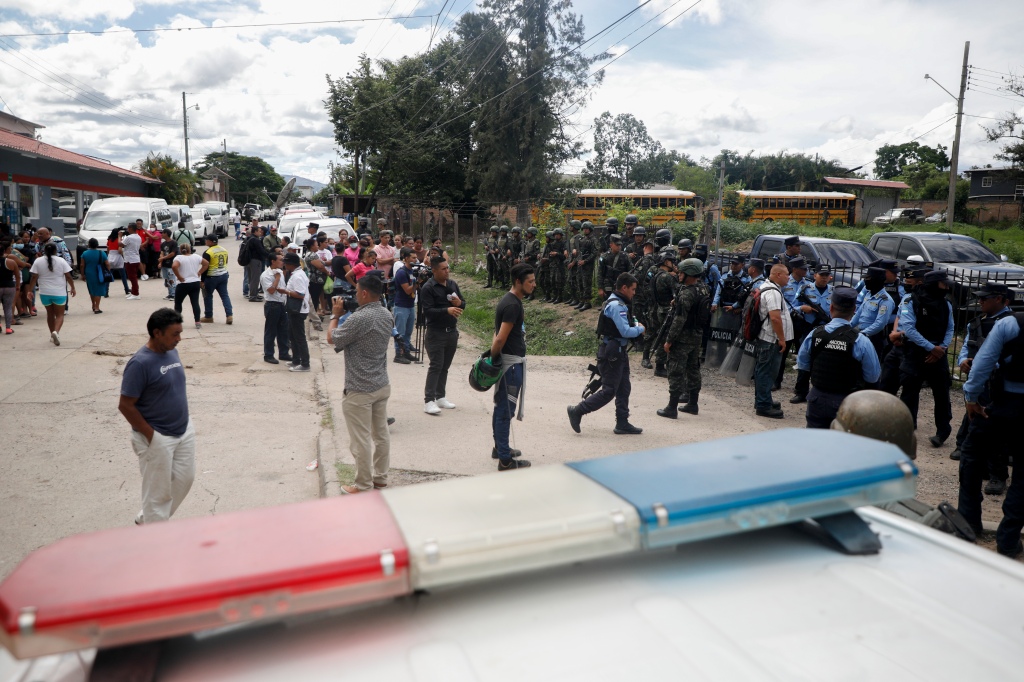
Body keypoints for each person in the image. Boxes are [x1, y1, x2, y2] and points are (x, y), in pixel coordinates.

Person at [957, 310, 1024, 557]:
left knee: (972, 457)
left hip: (1001, 407)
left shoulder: (1010, 324)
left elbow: (983, 362)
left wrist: (971, 398)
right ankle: (1007, 540)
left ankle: (968, 523)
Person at [119, 308, 194, 525]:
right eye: (174, 334)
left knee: (184, 480)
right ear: (157, 333)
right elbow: (125, 405)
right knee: (157, 494)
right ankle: (155, 541)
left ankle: (150, 518)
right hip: (158, 437)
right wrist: (152, 436)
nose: (179, 339)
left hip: (183, 430)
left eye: (180, 333)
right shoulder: (140, 363)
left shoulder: (172, 351)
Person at [328, 272, 395, 493]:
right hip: (381, 384)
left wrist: (335, 315)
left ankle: (363, 485)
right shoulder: (387, 314)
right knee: (381, 435)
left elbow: (332, 338)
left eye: (356, 291)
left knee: (361, 440)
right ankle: (380, 479)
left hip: (359, 388)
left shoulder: (359, 318)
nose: (355, 295)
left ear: (365, 293)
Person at [950, 283, 1013, 492]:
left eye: (985, 298)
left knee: (998, 432)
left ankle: (997, 475)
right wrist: (964, 361)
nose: (980, 301)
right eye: (980, 298)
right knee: (976, 425)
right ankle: (983, 469)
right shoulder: (977, 322)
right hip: (980, 382)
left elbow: (1008, 358)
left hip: (999, 384)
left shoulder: (1010, 324)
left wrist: (981, 366)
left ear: (1000, 299)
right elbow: (967, 345)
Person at [567, 272, 645, 435]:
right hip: (612, 353)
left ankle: (622, 422)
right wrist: (640, 329)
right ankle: (577, 410)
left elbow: (628, 322)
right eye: (633, 289)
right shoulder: (616, 306)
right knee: (609, 390)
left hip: (618, 351)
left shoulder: (619, 303)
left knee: (624, 387)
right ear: (624, 288)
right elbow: (625, 331)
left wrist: (636, 324)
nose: (634, 293)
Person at [794, 287, 881, 428]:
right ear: (854, 310)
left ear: (831, 307)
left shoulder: (814, 334)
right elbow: (872, 377)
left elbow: (803, 364)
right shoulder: (861, 341)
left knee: (814, 444)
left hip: (817, 398)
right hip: (848, 401)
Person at [898, 270, 954, 448]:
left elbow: (950, 328)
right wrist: (931, 348)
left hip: (938, 354)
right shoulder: (910, 300)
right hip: (916, 353)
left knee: (942, 394)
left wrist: (941, 349)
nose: (946, 287)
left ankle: (943, 431)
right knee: (909, 392)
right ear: (933, 284)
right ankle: (905, 429)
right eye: (943, 284)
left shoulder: (946, 304)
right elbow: (909, 328)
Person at [489, 263, 536, 471]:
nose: (534, 285)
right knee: (504, 411)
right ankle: (505, 460)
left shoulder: (511, 300)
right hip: (510, 366)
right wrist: (493, 361)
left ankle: (500, 448)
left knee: (501, 407)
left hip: (511, 363)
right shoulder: (512, 306)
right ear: (519, 282)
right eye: (530, 282)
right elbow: (499, 339)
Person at [658, 258, 709, 418]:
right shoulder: (703, 289)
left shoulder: (687, 293)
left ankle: (671, 408)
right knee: (693, 369)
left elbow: (679, 319)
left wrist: (669, 340)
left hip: (683, 338)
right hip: (697, 336)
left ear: (690, 274)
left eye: (682, 272)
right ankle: (693, 404)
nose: (678, 274)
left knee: (675, 370)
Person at [420, 256, 465, 415]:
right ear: (434, 270)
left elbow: (463, 304)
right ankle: (429, 400)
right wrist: (447, 310)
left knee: (445, 366)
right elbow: (428, 312)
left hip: (451, 332)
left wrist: (459, 304)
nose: (447, 271)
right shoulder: (428, 288)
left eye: (448, 268)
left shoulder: (452, 284)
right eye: (443, 269)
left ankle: (440, 396)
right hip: (436, 333)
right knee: (436, 365)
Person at [753, 264, 794, 419]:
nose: (788, 277)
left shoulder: (768, 287)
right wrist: (782, 339)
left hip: (768, 338)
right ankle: (763, 405)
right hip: (770, 339)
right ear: (777, 275)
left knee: (764, 370)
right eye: (786, 274)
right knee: (767, 371)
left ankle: (763, 399)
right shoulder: (773, 292)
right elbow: (775, 318)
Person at [790, 263, 834, 403]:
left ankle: (821, 392)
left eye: (827, 275)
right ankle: (801, 392)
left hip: (826, 329)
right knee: (804, 359)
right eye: (821, 275)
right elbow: (792, 307)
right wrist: (802, 308)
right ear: (815, 275)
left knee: (825, 360)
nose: (824, 278)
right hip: (808, 328)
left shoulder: (833, 292)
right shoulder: (805, 289)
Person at [29, 242, 75, 346]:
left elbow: (34, 277)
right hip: (59, 292)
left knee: (50, 314)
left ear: (44, 250)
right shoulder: (61, 261)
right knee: (59, 315)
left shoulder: (38, 261)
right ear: (55, 251)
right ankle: (56, 332)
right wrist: (73, 287)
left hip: (44, 292)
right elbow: (68, 276)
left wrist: (29, 290)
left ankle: (51, 334)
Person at [850, 267, 894, 361]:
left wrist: (862, 334)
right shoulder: (869, 294)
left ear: (877, 281)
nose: (865, 281)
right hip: (861, 333)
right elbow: (858, 314)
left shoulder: (885, 300)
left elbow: (880, 324)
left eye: (868, 279)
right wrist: (847, 327)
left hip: (873, 338)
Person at [649, 251, 678, 377]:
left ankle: (662, 363)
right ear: (666, 262)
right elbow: (677, 292)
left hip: (660, 309)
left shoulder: (657, 275)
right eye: (672, 262)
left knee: (661, 335)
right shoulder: (667, 277)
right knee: (665, 337)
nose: (673, 264)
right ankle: (660, 366)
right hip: (667, 310)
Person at [260, 252, 291, 364]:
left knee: (283, 330)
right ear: (273, 261)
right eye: (280, 260)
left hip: (281, 303)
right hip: (272, 304)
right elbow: (271, 290)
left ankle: (284, 353)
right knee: (271, 330)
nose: (282, 262)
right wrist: (277, 278)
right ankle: (268, 354)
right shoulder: (266, 275)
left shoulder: (280, 272)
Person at [283, 252, 311, 372]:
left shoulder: (298, 276)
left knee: (299, 337)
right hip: (293, 309)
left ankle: (305, 364)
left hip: (299, 309)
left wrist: (286, 292)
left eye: (286, 262)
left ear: (290, 264)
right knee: (292, 335)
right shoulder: (295, 274)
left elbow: (300, 294)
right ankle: (296, 360)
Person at [199, 234, 233, 325]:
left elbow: (205, 267)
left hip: (211, 277)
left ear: (210, 241)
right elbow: (226, 262)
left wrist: (202, 280)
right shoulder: (224, 250)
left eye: (206, 240)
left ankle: (209, 316)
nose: (205, 241)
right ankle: (229, 315)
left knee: (208, 296)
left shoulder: (208, 252)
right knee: (225, 295)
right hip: (223, 275)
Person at [172, 243, 207, 330]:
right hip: (195, 282)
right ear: (190, 249)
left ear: (180, 250)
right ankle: (197, 322)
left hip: (183, 283)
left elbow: (174, 266)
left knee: (178, 303)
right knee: (195, 302)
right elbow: (206, 263)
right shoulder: (196, 257)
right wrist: (200, 272)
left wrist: (179, 276)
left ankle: (177, 322)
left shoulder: (179, 258)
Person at [392, 247, 417, 364]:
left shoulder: (412, 271)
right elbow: (407, 290)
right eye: (413, 258)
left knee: (408, 331)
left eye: (416, 258)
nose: (415, 260)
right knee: (400, 332)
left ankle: (406, 351)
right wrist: (417, 282)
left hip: (410, 305)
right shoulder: (402, 272)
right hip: (401, 305)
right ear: (406, 258)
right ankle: (398, 354)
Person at [78, 238, 110, 314]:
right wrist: (108, 272)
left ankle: (93, 305)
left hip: (89, 273)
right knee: (98, 291)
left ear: (89, 244)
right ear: (97, 245)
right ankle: (97, 307)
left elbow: (82, 265)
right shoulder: (101, 253)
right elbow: (107, 264)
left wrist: (82, 274)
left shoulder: (85, 253)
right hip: (99, 273)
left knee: (91, 289)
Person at [598, 234, 630, 302]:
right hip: (608, 285)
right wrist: (600, 288)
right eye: (617, 245)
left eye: (620, 245)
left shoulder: (625, 256)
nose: (619, 247)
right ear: (611, 245)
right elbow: (600, 273)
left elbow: (630, 271)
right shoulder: (604, 257)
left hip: (621, 284)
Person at [575, 221, 598, 311]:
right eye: (584, 229)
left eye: (587, 229)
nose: (585, 230)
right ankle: (581, 300)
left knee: (586, 284)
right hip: (581, 263)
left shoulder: (593, 239)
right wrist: (579, 260)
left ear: (590, 229)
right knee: (579, 282)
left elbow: (595, 253)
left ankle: (587, 302)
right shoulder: (582, 239)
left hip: (587, 264)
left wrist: (585, 261)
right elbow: (580, 252)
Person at [1, 240, 21, 334]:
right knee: (8, 307)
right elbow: (17, 275)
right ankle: (8, 328)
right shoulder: (11, 262)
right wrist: (17, 285)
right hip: (9, 286)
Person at [245, 226, 268, 302]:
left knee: (251, 279)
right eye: (259, 231)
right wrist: (270, 255)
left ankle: (254, 293)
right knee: (255, 279)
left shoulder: (249, 238)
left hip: (248, 261)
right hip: (255, 261)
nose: (260, 232)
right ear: (255, 232)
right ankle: (253, 296)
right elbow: (261, 251)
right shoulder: (255, 240)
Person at [122, 223, 143, 298]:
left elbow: (121, 244)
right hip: (136, 258)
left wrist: (119, 236)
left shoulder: (129, 237)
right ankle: (134, 291)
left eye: (128, 228)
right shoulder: (138, 237)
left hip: (130, 259)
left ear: (131, 228)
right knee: (133, 276)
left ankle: (136, 293)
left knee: (132, 277)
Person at [157, 229, 179, 301]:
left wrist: (163, 258)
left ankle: (174, 294)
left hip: (171, 264)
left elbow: (173, 253)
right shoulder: (163, 244)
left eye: (162, 233)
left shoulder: (173, 243)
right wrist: (160, 262)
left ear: (166, 234)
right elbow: (162, 253)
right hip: (164, 265)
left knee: (172, 279)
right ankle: (170, 293)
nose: (161, 235)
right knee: (167, 280)